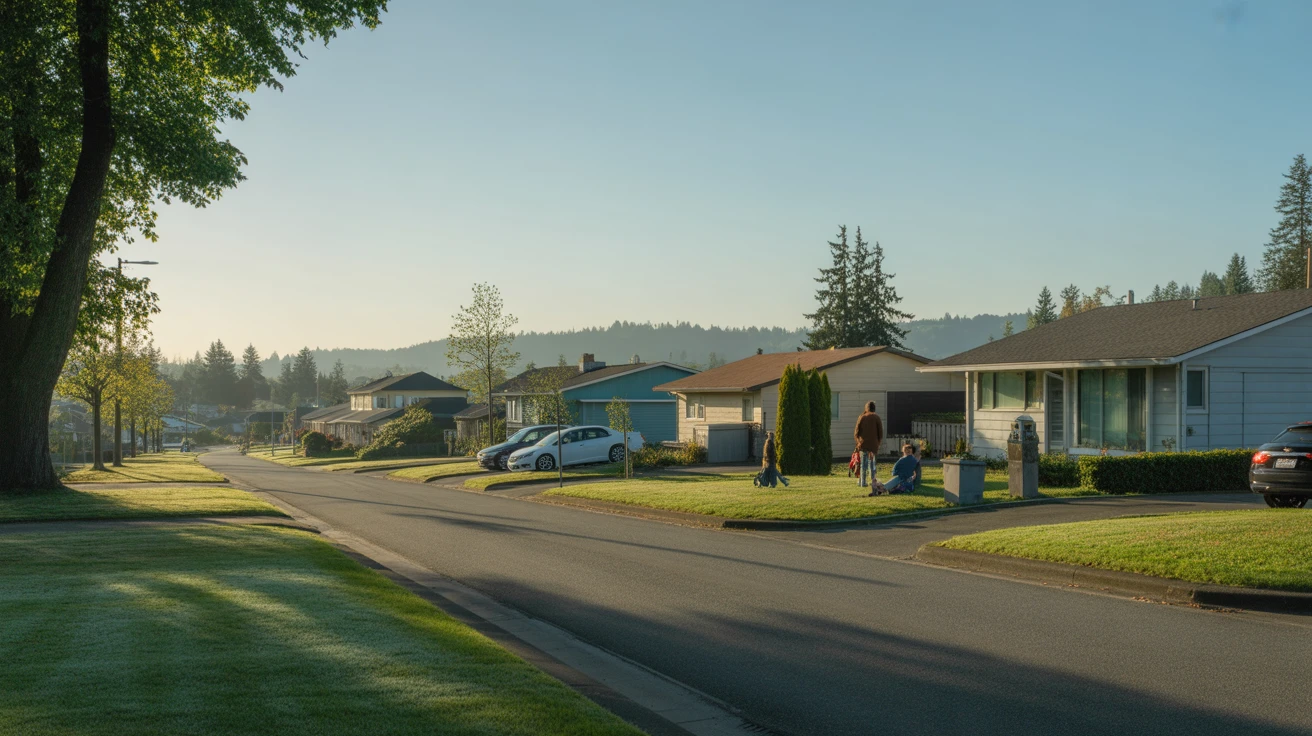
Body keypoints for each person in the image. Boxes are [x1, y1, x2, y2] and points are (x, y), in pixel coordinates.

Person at [853, 400, 884, 488]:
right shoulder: (876, 417)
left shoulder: (862, 417)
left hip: (863, 444)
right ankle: (873, 480)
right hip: (873, 445)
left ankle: (863, 482)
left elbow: (856, 432)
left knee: (863, 464)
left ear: (866, 408)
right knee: (872, 463)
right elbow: (880, 433)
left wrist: (858, 442)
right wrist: (878, 443)